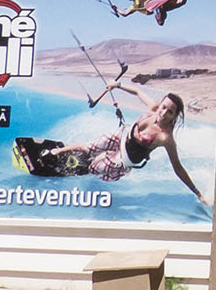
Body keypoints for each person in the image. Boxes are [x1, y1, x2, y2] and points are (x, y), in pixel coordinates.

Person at [52, 84, 206, 203]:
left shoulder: (166, 138)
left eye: (170, 112)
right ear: (160, 105)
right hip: (122, 135)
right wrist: (117, 85)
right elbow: (138, 92)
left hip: (125, 158)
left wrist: (197, 193)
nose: (164, 113)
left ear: (174, 116)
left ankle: (95, 162)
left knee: (93, 169)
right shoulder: (154, 108)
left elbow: (178, 168)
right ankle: (57, 151)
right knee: (88, 148)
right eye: (163, 107)